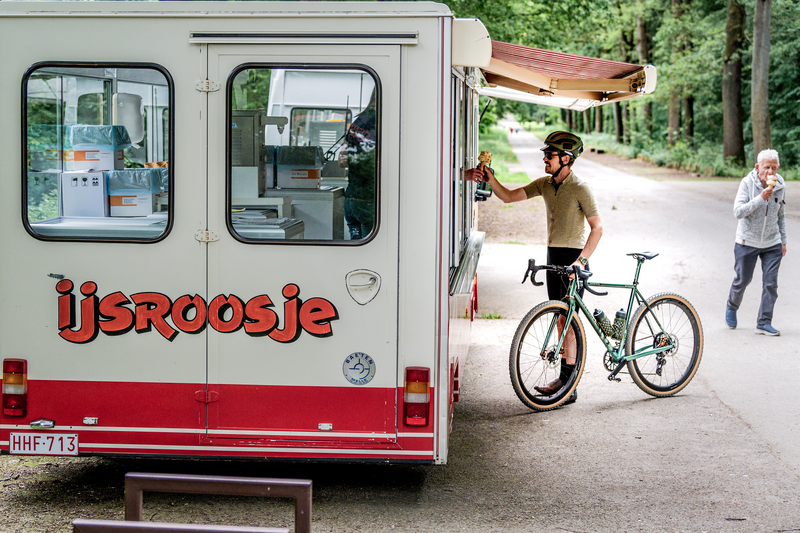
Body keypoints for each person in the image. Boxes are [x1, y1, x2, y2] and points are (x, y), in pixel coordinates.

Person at [466, 131, 603, 404]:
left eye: (549, 155)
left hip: (574, 258)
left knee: (568, 320)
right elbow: (507, 197)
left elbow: (598, 228)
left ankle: (568, 383)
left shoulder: (580, 188)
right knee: (559, 317)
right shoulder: (545, 184)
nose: (545, 158)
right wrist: (491, 179)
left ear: (566, 159)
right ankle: (567, 381)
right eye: (545, 154)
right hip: (553, 256)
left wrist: (581, 261)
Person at [725, 149, 786, 335]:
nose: (770, 171)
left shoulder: (781, 184)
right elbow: (738, 212)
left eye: (774, 167)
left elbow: (781, 215)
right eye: (767, 167)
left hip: (772, 242)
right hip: (747, 240)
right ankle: (732, 306)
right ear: (758, 167)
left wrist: (783, 240)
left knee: (771, 284)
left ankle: (764, 322)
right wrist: (761, 198)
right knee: (743, 279)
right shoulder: (746, 183)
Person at [339, 89, 377, 240]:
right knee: (371, 252)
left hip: (351, 200)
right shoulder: (381, 123)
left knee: (356, 247)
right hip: (368, 201)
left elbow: (341, 161)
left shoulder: (357, 122)